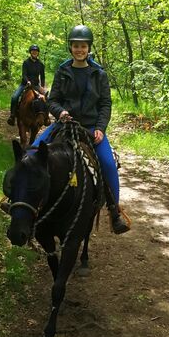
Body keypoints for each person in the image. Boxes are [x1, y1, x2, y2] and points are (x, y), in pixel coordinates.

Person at [32, 25, 129, 235]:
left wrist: (101, 128)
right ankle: (18, 199)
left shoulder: (99, 73)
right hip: (65, 124)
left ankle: (115, 211)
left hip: (92, 128)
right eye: (76, 46)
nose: (79, 49)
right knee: (32, 150)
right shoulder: (62, 71)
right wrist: (60, 113)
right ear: (71, 48)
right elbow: (53, 100)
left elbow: (105, 104)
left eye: (83, 46)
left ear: (88, 48)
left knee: (108, 165)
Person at [7, 44, 46, 126]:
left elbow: (42, 76)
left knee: (45, 98)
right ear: (30, 52)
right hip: (25, 84)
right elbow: (24, 74)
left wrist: (42, 86)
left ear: (38, 53)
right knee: (14, 97)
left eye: (36, 51)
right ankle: (12, 116)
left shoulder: (41, 64)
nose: (34, 52)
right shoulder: (26, 62)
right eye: (33, 51)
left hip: (35, 85)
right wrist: (27, 81)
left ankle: (46, 118)